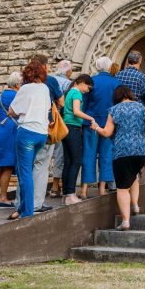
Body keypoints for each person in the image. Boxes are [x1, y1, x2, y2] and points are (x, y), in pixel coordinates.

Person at [91, 85, 145, 230]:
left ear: (116, 97)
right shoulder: (141, 108)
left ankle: (125, 221)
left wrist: (96, 127)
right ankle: (135, 205)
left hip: (122, 152)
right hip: (141, 151)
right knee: (134, 176)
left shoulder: (114, 110)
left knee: (122, 188)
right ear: (129, 94)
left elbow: (107, 133)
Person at [8, 58, 51, 219]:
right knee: (25, 170)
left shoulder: (25, 89)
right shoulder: (45, 88)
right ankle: (22, 207)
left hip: (27, 132)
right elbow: (47, 108)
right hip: (42, 133)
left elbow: (12, 110)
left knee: (24, 172)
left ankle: (27, 211)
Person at [29, 54, 64, 213]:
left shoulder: (25, 80)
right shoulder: (50, 81)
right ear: (44, 66)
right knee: (42, 166)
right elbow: (62, 102)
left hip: (26, 128)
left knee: (25, 166)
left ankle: (22, 202)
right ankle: (37, 203)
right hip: (45, 127)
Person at [82, 57, 120, 199]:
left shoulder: (91, 81)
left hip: (90, 122)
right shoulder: (116, 83)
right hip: (109, 124)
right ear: (109, 67)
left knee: (88, 154)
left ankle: (84, 189)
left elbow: (84, 104)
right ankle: (102, 188)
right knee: (106, 155)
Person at [60, 74, 95, 205]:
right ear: (82, 82)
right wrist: (91, 118)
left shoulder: (69, 92)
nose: (87, 90)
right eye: (88, 86)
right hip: (73, 128)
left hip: (65, 129)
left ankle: (65, 194)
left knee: (68, 162)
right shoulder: (77, 94)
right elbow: (76, 111)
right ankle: (71, 194)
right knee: (76, 161)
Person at [0, 72, 21, 208]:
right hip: (10, 132)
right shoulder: (17, 96)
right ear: (17, 84)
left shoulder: (1, 96)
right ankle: (3, 198)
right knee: (8, 166)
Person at [47, 60, 73, 198]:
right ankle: (56, 186)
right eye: (71, 70)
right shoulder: (67, 83)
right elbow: (65, 104)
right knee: (59, 153)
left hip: (45, 120)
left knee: (45, 154)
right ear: (67, 71)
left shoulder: (49, 79)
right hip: (59, 121)